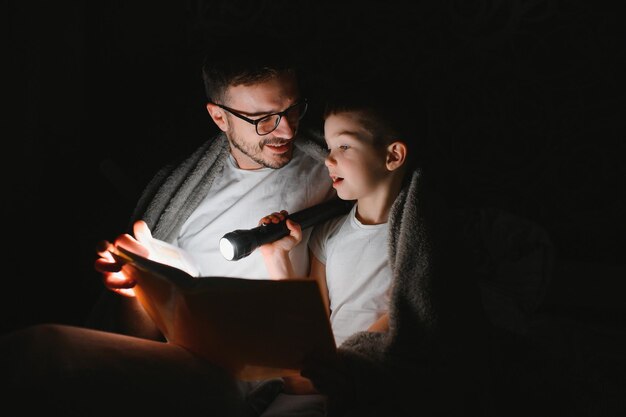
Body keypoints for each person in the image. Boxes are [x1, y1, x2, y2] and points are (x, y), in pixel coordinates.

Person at [0, 44, 335, 417]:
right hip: (189, 361)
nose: (286, 129)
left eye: (291, 108)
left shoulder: (333, 165)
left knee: (42, 350)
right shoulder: (181, 194)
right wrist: (135, 286)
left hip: (263, 376)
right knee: (39, 352)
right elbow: (136, 337)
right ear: (219, 117)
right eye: (263, 119)